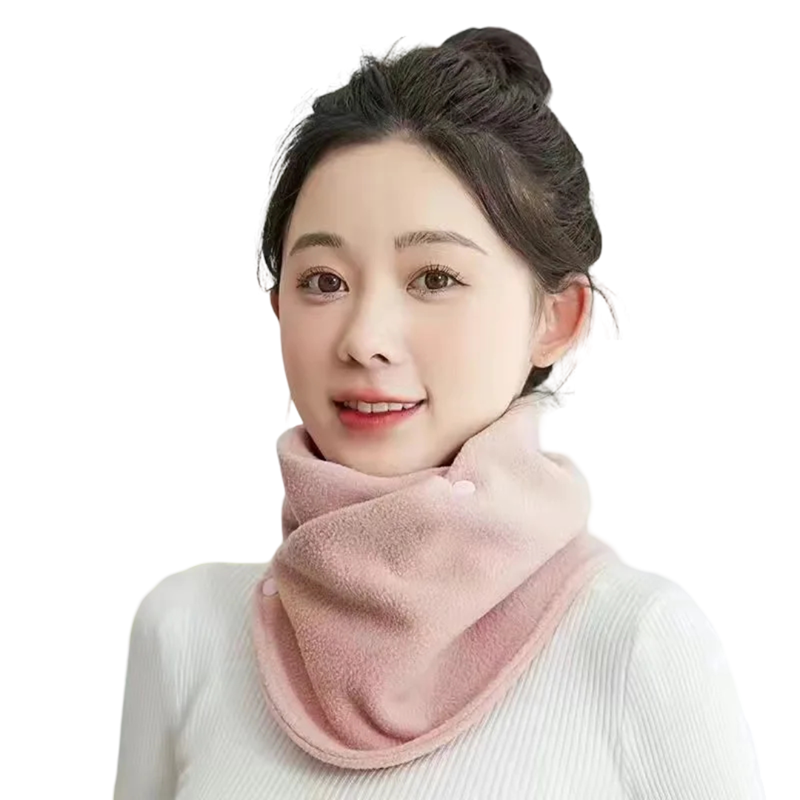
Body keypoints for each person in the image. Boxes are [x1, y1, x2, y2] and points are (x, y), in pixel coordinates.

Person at [114, 27, 765, 799]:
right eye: (323, 281)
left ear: (555, 318)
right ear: (278, 304)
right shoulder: (185, 634)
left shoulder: (638, 646)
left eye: (434, 277)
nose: (364, 338)